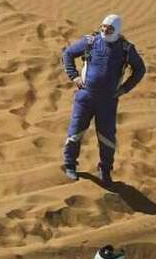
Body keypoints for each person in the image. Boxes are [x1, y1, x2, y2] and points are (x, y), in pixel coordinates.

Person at [61, 14, 146, 185]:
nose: (105, 30)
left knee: (107, 137)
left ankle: (105, 170)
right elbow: (68, 54)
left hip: (108, 101)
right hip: (85, 97)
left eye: (109, 28)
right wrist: (74, 76)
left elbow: (140, 69)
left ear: (117, 30)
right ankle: (70, 164)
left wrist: (124, 88)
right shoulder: (90, 41)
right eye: (103, 26)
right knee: (75, 132)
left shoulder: (126, 49)